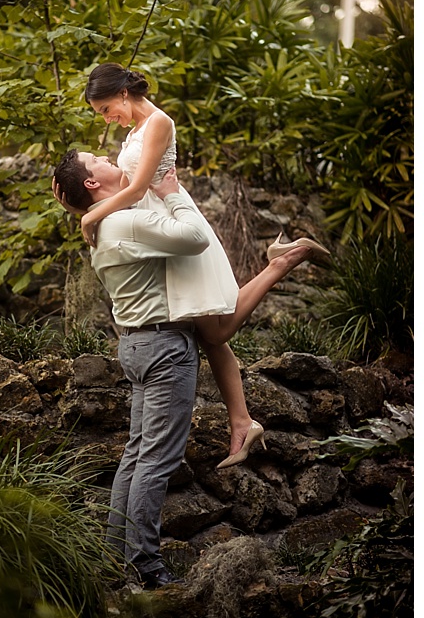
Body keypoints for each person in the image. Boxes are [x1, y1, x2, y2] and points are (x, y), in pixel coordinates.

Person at [52, 151, 311, 588]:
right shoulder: (121, 222)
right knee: (156, 460)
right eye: (95, 159)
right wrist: (174, 195)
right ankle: (146, 566)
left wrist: (80, 208)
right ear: (93, 183)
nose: (104, 156)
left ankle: (116, 557)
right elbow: (194, 238)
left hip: (135, 344)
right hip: (164, 346)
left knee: (136, 457)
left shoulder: (99, 225)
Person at [60, 63, 329, 468]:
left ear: (123, 93)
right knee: (212, 333)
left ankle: (282, 263)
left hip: (173, 224)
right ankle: (242, 422)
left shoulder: (158, 123)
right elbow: (128, 192)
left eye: (105, 109)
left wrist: (87, 216)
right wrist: (77, 204)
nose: (107, 118)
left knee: (216, 330)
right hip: (157, 231)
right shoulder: (135, 129)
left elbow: (135, 188)